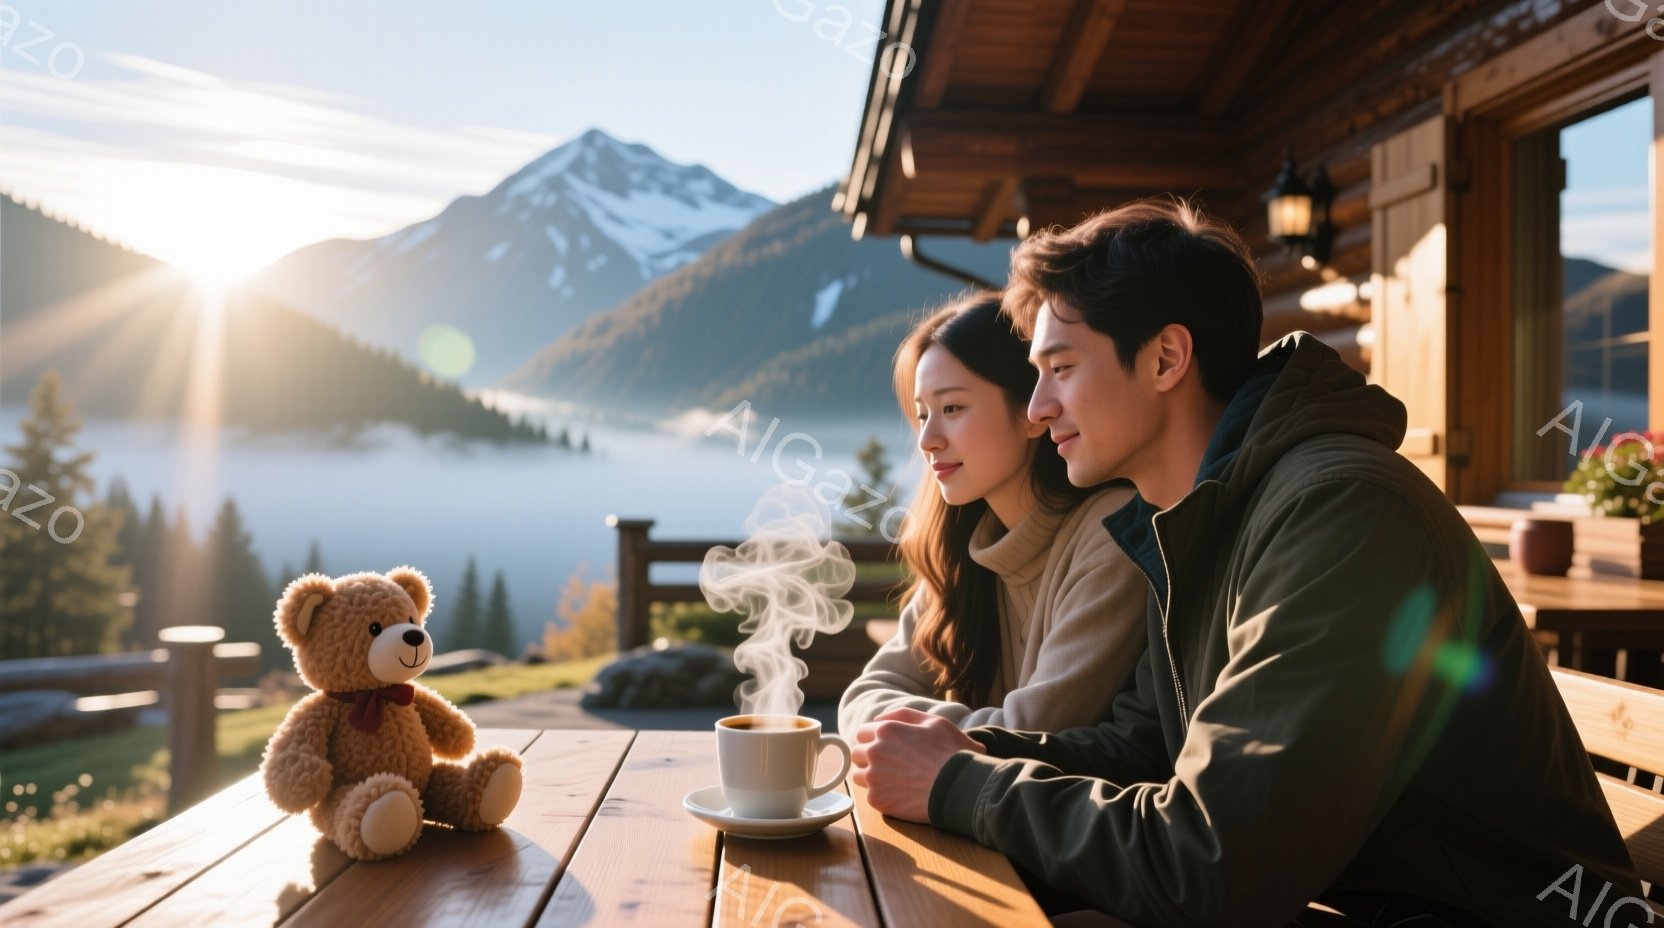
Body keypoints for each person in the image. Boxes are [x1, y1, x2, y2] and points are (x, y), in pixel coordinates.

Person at [849, 201, 1641, 926]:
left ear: (1166, 359)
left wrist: (960, 786)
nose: (1038, 408)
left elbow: (1212, 864)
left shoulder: (1341, 515)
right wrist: (967, 755)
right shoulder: (1197, 518)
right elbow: (1143, 750)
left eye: (1061, 369)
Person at [838, 291, 1146, 737]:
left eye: (952, 408)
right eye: (923, 415)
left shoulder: (1108, 536)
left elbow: (1034, 731)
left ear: (1032, 413)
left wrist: (909, 731)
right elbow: (862, 698)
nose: (927, 440)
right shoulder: (964, 551)